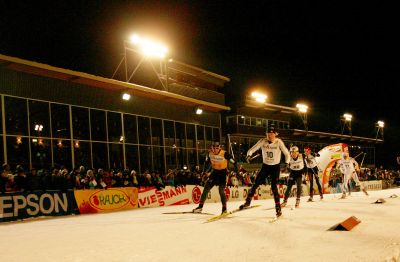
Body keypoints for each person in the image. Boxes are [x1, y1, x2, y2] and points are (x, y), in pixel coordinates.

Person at [239, 127, 290, 218]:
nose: (270, 136)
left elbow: (287, 153)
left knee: (274, 187)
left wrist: (286, 163)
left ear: (275, 134)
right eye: (268, 134)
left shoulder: (279, 142)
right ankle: (247, 202)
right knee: (255, 184)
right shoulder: (263, 141)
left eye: (271, 134)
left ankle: (278, 208)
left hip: (275, 167)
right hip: (265, 166)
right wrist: (248, 155)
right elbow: (251, 149)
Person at [193, 141, 237, 215]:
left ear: (218, 147)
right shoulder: (210, 153)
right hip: (215, 173)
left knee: (221, 191)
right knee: (206, 188)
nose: (214, 150)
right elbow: (207, 163)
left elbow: (233, 162)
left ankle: (224, 209)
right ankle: (200, 207)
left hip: (223, 173)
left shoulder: (224, 153)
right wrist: (204, 172)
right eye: (212, 148)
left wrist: (234, 164)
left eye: (215, 148)